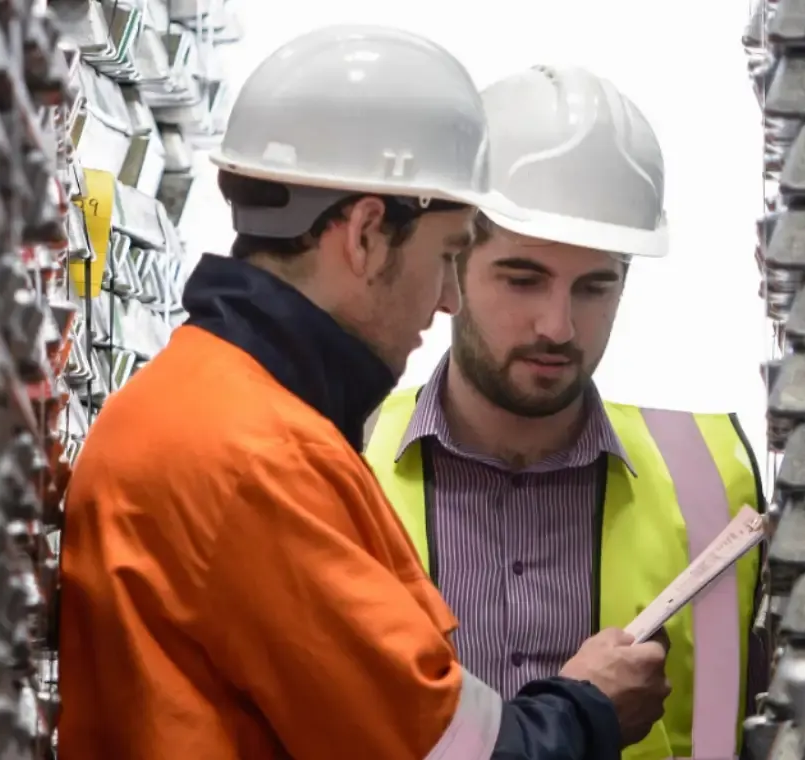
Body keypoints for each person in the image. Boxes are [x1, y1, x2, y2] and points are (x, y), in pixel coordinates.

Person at [57, 26, 672, 760]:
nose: (448, 298)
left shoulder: (214, 406)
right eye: (449, 256)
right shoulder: (254, 456)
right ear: (367, 235)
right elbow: (440, 750)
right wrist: (589, 709)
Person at [354, 66, 768, 760]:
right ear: (453, 264)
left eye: (594, 287)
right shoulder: (338, 456)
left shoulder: (717, 478)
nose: (559, 326)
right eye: (523, 279)